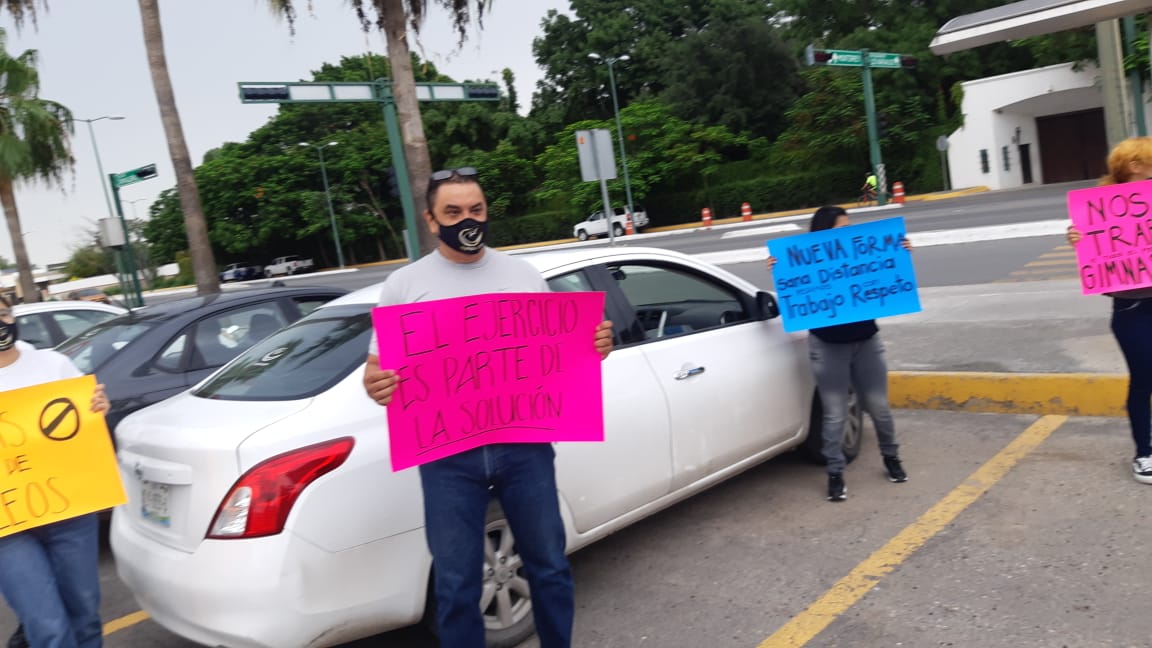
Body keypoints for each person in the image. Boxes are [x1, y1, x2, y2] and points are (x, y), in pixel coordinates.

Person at [362, 167, 614, 647]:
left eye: (476, 210)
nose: (467, 220)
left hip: (525, 447)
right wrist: (376, 385)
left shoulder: (523, 275)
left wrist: (594, 345)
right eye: (453, 212)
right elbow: (376, 371)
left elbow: (557, 352)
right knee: (457, 585)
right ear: (431, 221)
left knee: (549, 566)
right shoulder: (404, 285)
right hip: (447, 457)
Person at [767, 205, 909, 501]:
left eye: (849, 227)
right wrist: (780, 268)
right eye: (842, 228)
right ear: (823, 233)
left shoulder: (858, 255)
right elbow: (798, 290)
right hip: (827, 345)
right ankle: (835, 473)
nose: (849, 233)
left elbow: (883, 275)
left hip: (866, 340)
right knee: (835, 413)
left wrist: (899, 252)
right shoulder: (807, 262)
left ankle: (891, 457)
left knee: (879, 406)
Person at [0, 295, 110, 648]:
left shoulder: (52, 364)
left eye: (3, 313)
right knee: (47, 626)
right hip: (7, 526)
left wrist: (99, 406)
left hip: (71, 510)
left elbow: (85, 417)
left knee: (85, 614)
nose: (1, 323)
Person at [1066, 135, 1152, 484]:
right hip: (1132, 309)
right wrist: (1078, 240)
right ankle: (1144, 452)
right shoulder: (1099, 207)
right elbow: (1099, 253)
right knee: (1144, 379)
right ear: (1135, 165)